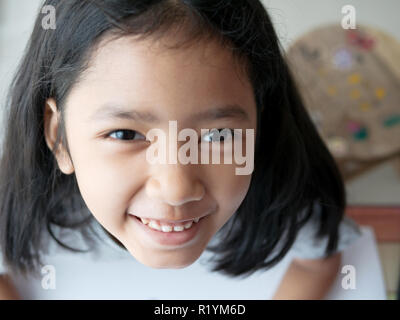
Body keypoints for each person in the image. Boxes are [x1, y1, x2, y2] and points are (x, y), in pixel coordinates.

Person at [0, 0, 362, 299]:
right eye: (126, 134)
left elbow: (318, 259)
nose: (176, 189)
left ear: (259, 126)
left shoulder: (284, 201)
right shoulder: (19, 202)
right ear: (58, 135)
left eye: (218, 134)